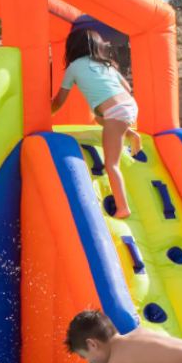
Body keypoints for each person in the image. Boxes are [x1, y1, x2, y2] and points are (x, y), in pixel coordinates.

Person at [51, 29, 141, 220]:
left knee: (111, 165)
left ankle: (123, 208)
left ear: (72, 48)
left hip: (116, 114)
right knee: (98, 117)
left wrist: (45, 115)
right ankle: (130, 134)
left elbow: (59, 101)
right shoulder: (107, 65)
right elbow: (127, 88)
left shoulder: (74, 67)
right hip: (129, 106)